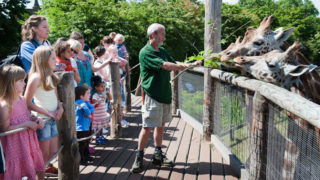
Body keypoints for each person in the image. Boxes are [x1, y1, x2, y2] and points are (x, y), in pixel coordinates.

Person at [131, 23, 201, 173]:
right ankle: (139, 156)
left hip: (165, 94)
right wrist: (186, 66)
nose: (164, 36)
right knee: (147, 127)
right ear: (153, 35)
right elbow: (166, 65)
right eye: (162, 33)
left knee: (161, 126)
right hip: (152, 95)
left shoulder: (161, 50)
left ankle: (158, 155)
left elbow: (174, 62)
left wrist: (190, 64)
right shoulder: (146, 52)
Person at [0, 65, 45, 180]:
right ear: (10, 83)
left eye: (24, 80)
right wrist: (26, 124)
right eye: (21, 81)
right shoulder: (5, 105)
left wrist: (35, 119)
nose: (24, 83)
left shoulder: (22, 100)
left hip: (27, 143)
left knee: (29, 169)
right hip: (14, 146)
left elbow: (27, 116)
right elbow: (4, 130)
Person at [24, 46, 64, 175]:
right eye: (53, 58)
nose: (56, 61)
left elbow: (55, 96)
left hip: (53, 119)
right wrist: (48, 113)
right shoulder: (36, 78)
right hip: (43, 120)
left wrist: (60, 108)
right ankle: (39, 177)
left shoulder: (51, 76)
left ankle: (44, 172)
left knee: (53, 152)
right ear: (44, 59)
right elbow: (27, 102)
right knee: (42, 154)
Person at [75, 84, 95, 165]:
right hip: (81, 128)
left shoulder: (85, 102)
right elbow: (86, 110)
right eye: (87, 93)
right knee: (81, 144)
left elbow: (92, 109)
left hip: (86, 126)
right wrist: (88, 112)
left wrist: (89, 112)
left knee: (86, 142)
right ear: (81, 96)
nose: (89, 95)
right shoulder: (79, 103)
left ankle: (86, 155)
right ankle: (81, 159)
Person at [91, 76, 111, 144]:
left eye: (104, 86)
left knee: (101, 127)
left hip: (102, 114)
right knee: (97, 128)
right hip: (97, 116)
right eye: (101, 86)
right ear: (96, 87)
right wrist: (98, 101)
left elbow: (110, 98)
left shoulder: (103, 94)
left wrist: (108, 93)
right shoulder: (95, 95)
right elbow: (94, 104)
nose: (103, 88)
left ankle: (101, 136)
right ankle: (97, 138)